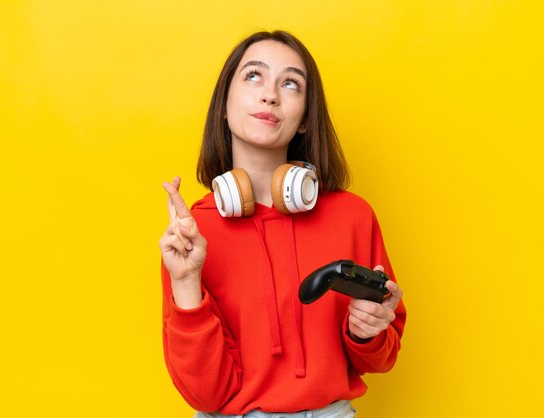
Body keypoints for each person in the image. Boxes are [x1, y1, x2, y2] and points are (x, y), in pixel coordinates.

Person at [159, 30, 407, 418]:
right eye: (253, 76)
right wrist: (186, 280)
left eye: (290, 83)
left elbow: (382, 357)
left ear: (306, 118)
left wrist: (369, 330)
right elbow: (204, 394)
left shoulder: (352, 216)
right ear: (224, 105)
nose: (270, 94)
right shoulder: (192, 233)